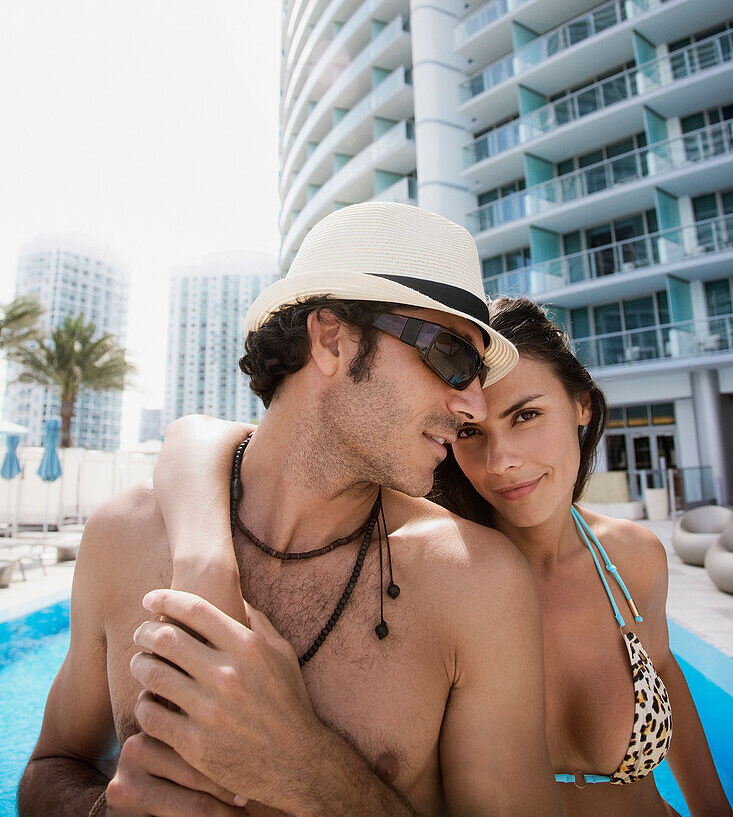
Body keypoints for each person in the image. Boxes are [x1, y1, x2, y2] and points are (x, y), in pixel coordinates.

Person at [19, 203, 560, 817]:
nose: (475, 407)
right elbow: (51, 765)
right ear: (331, 339)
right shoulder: (125, 537)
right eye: (453, 360)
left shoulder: (476, 583)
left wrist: (304, 768)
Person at [156, 297, 732, 817]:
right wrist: (206, 556)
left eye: (526, 416)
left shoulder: (632, 561)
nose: (502, 459)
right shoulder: (454, 574)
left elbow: (664, 674)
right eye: (473, 433)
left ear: (581, 406)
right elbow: (209, 437)